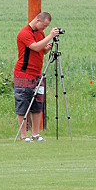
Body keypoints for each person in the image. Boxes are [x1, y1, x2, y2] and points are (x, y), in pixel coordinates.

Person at [13, 11, 60, 142]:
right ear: (38, 21)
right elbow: (34, 47)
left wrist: (47, 48)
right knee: (23, 102)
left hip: (38, 74)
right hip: (24, 73)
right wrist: (50, 36)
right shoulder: (24, 33)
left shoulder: (40, 33)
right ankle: (24, 135)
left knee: (37, 103)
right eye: (44, 26)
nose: (44, 29)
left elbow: (41, 50)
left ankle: (36, 134)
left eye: (46, 27)